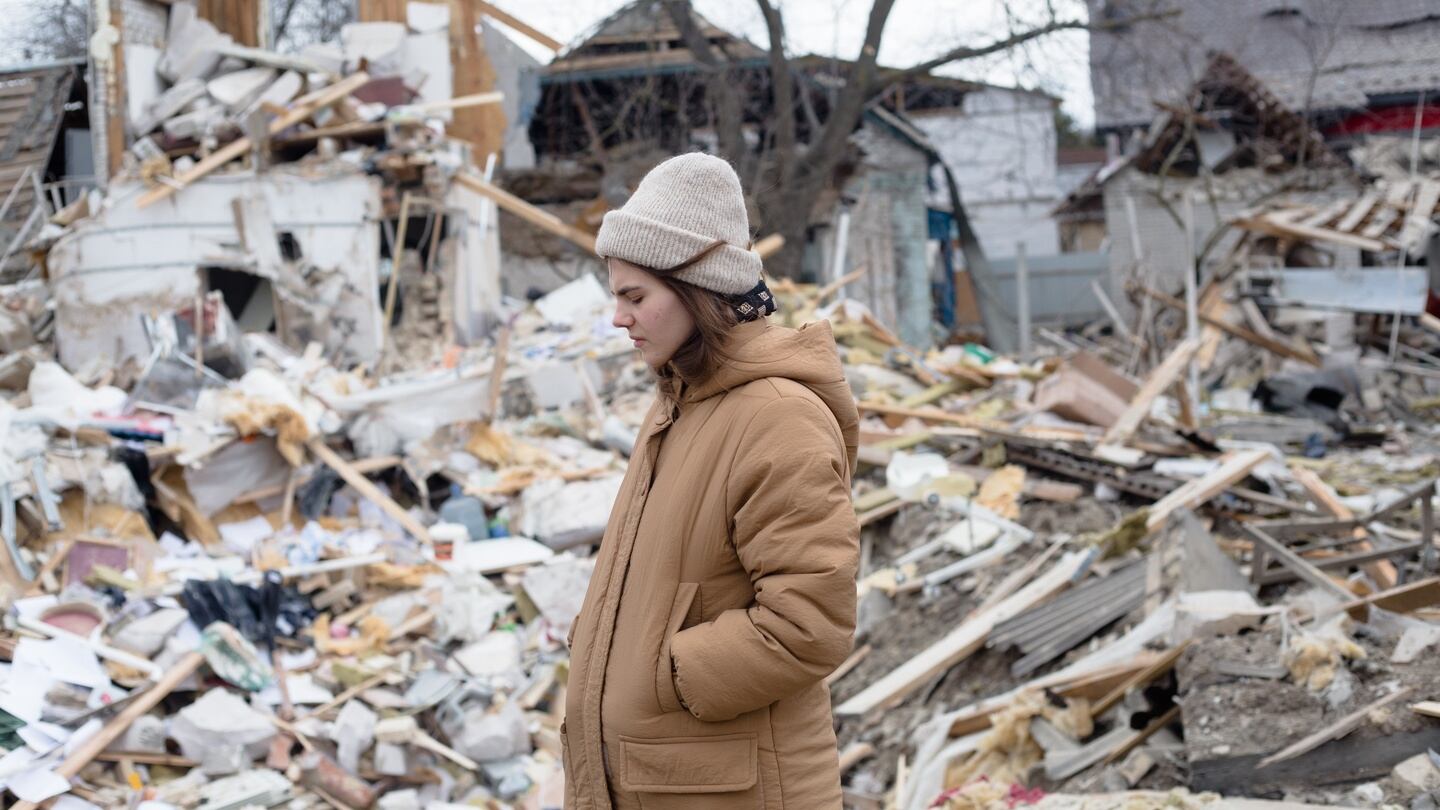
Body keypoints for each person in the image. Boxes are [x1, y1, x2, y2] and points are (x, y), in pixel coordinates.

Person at [562, 153, 860, 809]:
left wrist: (663, 675)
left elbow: (808, 624)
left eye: (635, 297)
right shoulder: (680, 404)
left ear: (699, 290)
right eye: (617, 296)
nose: (619, 317)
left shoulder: (778, 419)